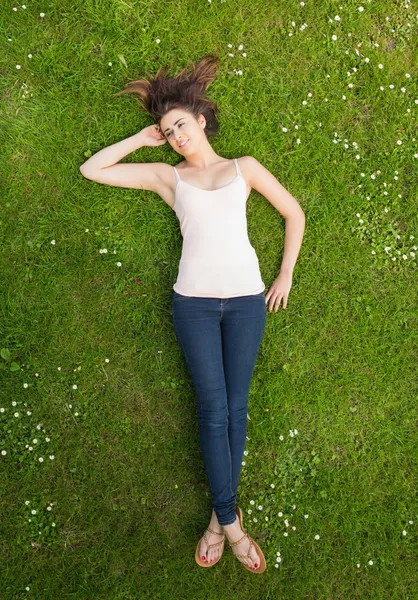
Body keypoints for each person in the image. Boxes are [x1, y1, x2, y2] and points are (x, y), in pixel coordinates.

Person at [80, 54, 305, 574]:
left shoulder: (242, 169)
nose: (175, 135)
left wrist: (286, 274)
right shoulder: (166, 177)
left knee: (236, 408)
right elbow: (92, 170)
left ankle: (217, 521)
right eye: (167, 131)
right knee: (212, 409)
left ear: (201, 120)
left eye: (180, 124)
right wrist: (141, 139)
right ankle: (232, 526)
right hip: (195, 307)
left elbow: (293, 212)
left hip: (248, 302)